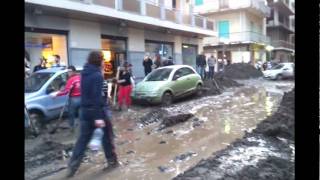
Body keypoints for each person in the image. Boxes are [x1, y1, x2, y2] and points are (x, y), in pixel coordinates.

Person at [66, 51, 118, 178]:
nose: (103, 62)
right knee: (107, 137)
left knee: (82, 140)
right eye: (102, 60)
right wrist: (98, 118)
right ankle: (112, 161)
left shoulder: (84, 73)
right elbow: (96, 97)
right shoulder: (97, 76)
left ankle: (72, 166)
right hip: (97, 112)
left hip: (84, 112)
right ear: (99, 61)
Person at [55, 66, 81, 130]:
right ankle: (81, 127)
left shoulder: (71, 80)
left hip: (74, 99)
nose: (69, 73)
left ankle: (72, 127)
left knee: (71, 113)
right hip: (81, 98)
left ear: (74, 71)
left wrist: (57, 94)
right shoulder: (80, 78)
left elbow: (66, 91)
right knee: (81, 114)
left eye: (70, 71)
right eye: (68, 71)